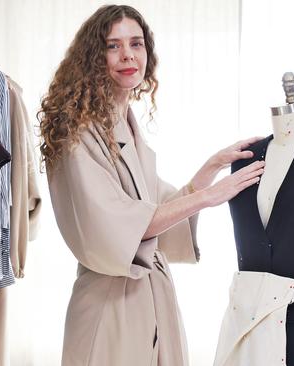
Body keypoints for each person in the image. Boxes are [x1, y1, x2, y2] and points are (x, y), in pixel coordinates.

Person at [38, 5, 264, 365]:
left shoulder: (123, 124)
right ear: (93, 57)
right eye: (113, 46)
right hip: (109, 310)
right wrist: (208, 197)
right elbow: (118, 225)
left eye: (136, 43)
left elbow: (157, 204)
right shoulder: (78, 133)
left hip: (150, 304)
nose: (128, 54)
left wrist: (209, 169)